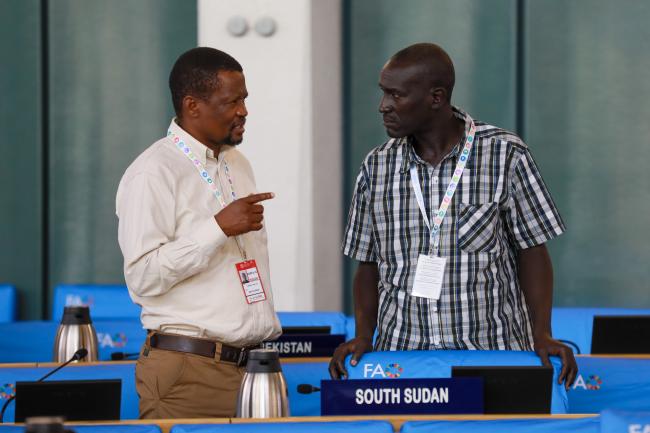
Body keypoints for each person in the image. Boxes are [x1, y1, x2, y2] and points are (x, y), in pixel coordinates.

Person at [329, 43, 578, 389]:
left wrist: (543, 334)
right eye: (383, 93)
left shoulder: (505, 154)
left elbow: (533, 251)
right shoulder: (377, 166)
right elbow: (367, 264)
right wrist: (363, 335)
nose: (383, 106)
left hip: (492, 354)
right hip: (402, 360)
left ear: (436, 97)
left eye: (395, 95)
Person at [116, 47, 281, 419]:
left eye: (244, 99)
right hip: (189, 373)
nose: (243, 111)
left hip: (254, 367)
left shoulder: (237, 163)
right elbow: (142, 277)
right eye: (232, 101)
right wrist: (217, 228)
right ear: (193, 106)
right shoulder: (153, 173)